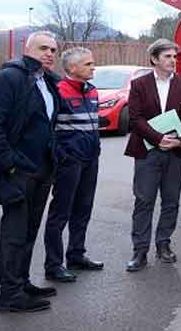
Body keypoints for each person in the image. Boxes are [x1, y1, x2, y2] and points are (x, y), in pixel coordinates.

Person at [0, 30, 62, 313]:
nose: (49, 54)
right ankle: (9, 296)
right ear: (28, 48)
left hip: (42, 170)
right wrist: (10, 164)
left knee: (29, 231)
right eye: (44, 48)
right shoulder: (7, 79)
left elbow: (46, 124)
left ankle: (21, 284)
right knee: (14, 233)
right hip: (16, 171)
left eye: (54, 50)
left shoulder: (48, 82)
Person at [123, 39, 181, 272]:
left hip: (177, 150)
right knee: (144, 200)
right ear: (154, 59)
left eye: (175, 57)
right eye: (168, 56)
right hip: (147, 150)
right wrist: (158, 139)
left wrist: (180, 139)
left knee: (171, 199)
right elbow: (135, 119)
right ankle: (140, 250)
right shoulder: (139, 84)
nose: (173, 61)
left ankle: (163, 243)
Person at [43, 47, 104, 283]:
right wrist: (62, 155)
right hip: (69, 162)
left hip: (90, 159)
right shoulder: (57, 92)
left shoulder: (92, 91)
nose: (93, 67)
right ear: (72, 68)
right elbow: (48, 129)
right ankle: (53, 265)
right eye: (88, 64)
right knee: (61, 213)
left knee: (83, 209)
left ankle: (76, 255)